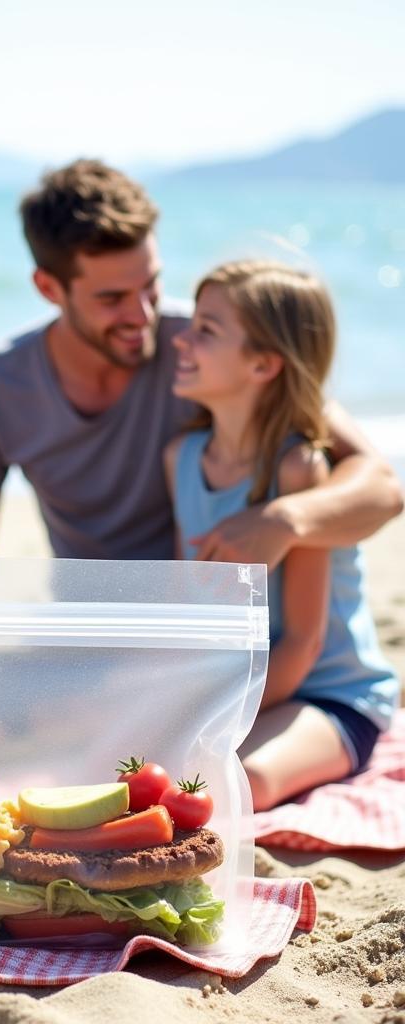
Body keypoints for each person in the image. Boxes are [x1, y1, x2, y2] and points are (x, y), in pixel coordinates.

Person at [0, 159, 403, 563]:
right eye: (113, 298)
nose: (142, 315)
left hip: (205, 619)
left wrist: (284, 519)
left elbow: (383, 486)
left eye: (151, 285)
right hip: (95, 630)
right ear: (48, 288)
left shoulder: (207, 348)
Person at [164, 260, 399, 810]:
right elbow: (188, 608)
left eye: (207, 330)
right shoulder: (180, 458)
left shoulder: (298, 471)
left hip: (327, 695)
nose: (182, 340)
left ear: (264, 364)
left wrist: (218, 722)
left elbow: (303, 642)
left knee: (241, 783)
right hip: (235, 693)